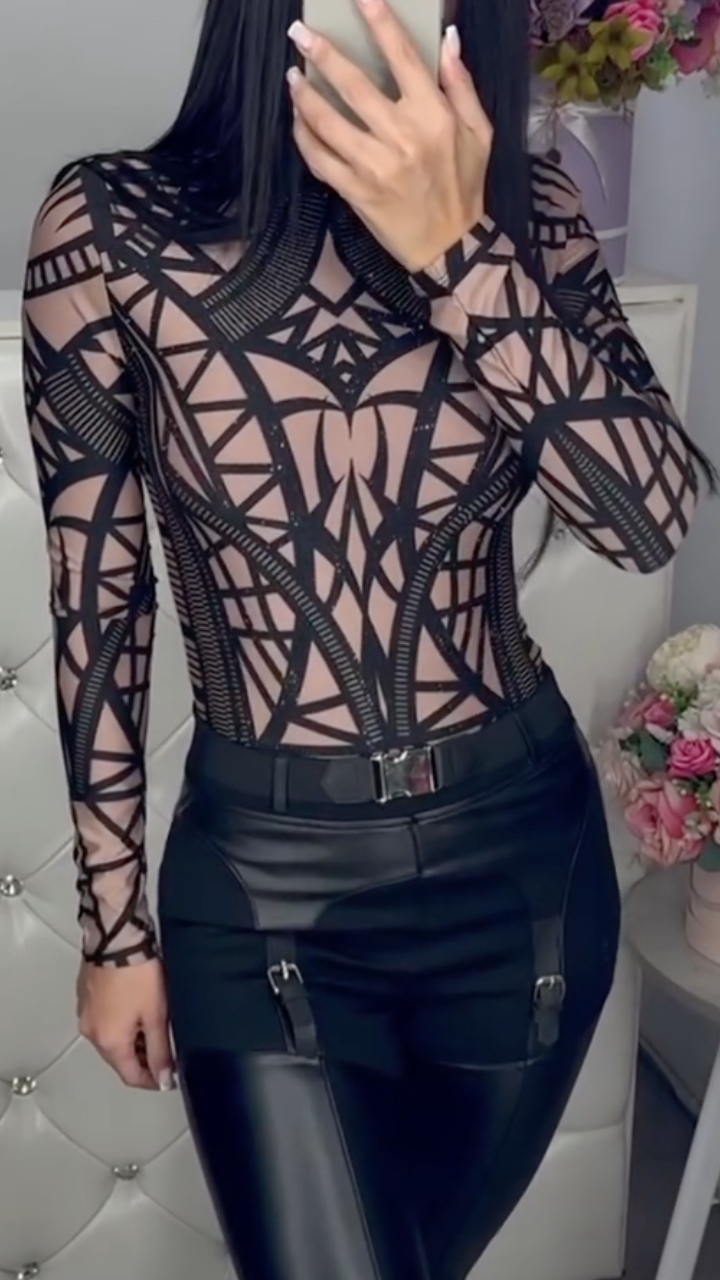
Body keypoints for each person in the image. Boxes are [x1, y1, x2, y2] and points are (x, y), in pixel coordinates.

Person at [21, 0, 715, 1277]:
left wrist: (460, 249)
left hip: (523, 875)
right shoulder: (111, 225)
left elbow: (648, 516)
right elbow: (98, 600)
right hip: (262, 887)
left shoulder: (532, 215)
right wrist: (114, 926)